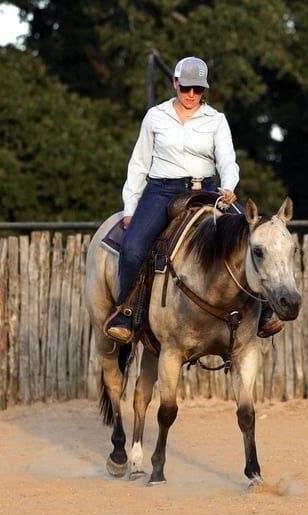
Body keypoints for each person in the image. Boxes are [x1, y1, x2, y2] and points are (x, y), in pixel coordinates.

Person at [104, 56, 283, 344]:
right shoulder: (155, 116)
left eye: (197, 90)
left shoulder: (216, 120)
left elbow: (227, 161)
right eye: (186, 87)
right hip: (161, 190)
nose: (191, 95)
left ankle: (263, 309)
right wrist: (130, 207)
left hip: (208, 191)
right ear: (175, 83)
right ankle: (125, 310)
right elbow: (138, 163)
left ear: (204, 90)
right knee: (134, 245)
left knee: (250, 236)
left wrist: (229, 186)